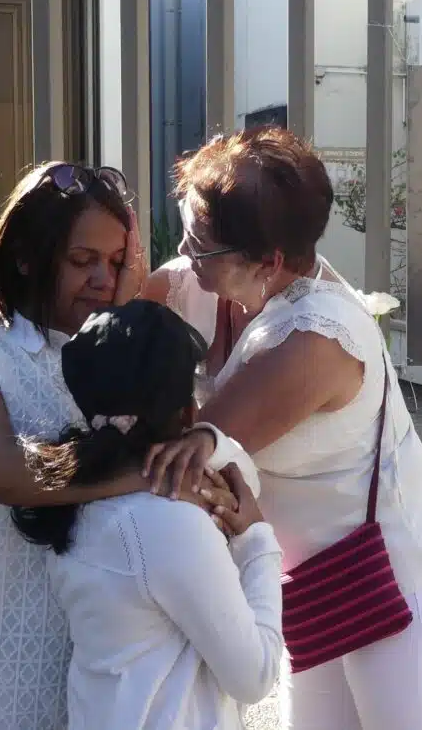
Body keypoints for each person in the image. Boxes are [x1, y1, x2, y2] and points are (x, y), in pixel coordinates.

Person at [0, 127, 422, 729]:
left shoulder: (316, 338)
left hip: (394, 581)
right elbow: (117, 318)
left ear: (267, 261)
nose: (178, 249)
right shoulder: (203, 279)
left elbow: (184, 462)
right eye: (184, 226)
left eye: (200, 242)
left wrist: (164, 481)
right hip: (315, 588)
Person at [0, 162, 237, 730]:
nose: (102, 280)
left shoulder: (124, 347)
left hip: (107, 649)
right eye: (82, 261)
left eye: (114, 263)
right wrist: (145, 473)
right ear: (27, 257)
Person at [14, 299, 282, 730]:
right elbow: (255, 675)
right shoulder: (169, 523)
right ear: (187, 410)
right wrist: (257, 542)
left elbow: (240, 472)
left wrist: (207, 441)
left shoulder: (79, 493)